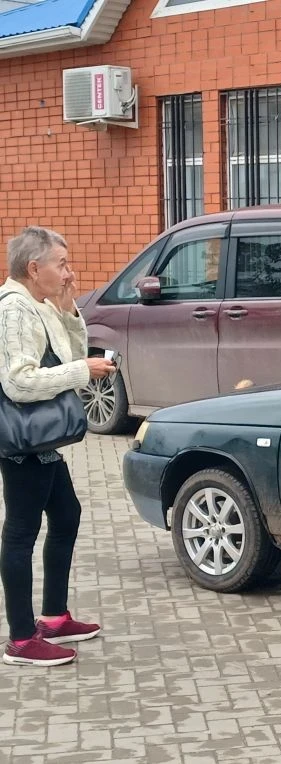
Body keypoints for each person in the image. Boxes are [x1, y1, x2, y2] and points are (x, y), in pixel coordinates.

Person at [0, 226, 115, 667]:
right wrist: (83, 370)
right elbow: (19, 382)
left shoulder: (40, 304)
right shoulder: (14, 309)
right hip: (22, 442)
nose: (69, 272)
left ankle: (53, 617)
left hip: (41, 439)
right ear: (34, 268)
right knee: (21, 532)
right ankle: (21, 639)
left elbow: (72, 352)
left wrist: (67, 308)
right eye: (61, 264)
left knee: (66, 515)